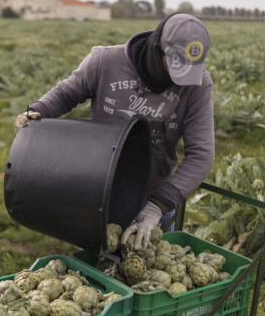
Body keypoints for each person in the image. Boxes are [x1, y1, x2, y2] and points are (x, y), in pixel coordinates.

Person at [14, 13, 215, 251]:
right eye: (174, 66)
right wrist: (37, 111)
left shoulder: (197, 84)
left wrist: (157, 206)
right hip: (99, 193)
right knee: (97, 268)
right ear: (156, 47)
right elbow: (65, 94)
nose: (179, 78)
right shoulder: (105, 61)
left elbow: (201, 154)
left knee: (152, 270)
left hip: (154, 200)